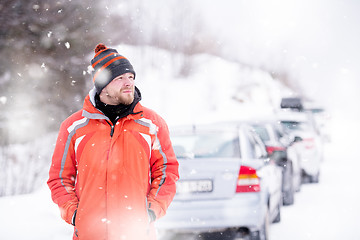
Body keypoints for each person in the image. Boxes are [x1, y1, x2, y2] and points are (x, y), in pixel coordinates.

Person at [47, 43, 179, 240]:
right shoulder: (74, 127)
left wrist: (151, 210)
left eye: (131, 77)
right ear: (103, 85)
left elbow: (167, 170)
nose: (128, 83)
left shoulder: (152, 124)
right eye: (119, 78)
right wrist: (75, 214)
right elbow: (59, 178)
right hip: (90, 234)